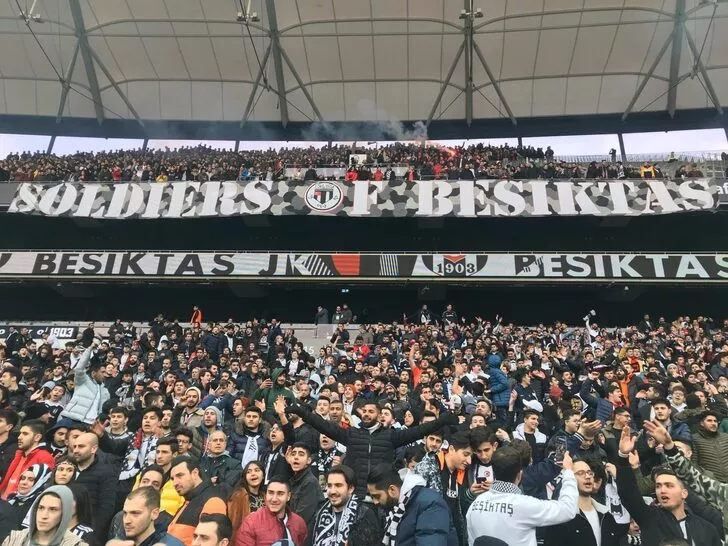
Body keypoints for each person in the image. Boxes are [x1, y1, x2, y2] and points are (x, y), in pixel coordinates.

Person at [286, 400, 457, 495]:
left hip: (381, 495)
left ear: (380, 414)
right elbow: (322, 425)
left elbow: (420, 430)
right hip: (355, 494)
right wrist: (301, 412)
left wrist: (443, 420)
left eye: (371, 411)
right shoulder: (351, 434)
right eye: (364, 412)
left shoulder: (391, 435)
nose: (366, 414)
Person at [615, 426, 721, 546]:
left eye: (669, 486)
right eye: (658, 486)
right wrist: (623, 456)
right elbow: (628, 492)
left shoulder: (707, 529)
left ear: (684, 493)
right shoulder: (649, 518)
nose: (662, 490)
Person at [465, 447, 577, 546]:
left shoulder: (475, 504)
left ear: (494, 473)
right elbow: (567, 510)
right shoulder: (525, 505)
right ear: (520, 475)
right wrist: (568, 472)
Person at [367, 463, 457, 546]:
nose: (375, 502)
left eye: (377, 496)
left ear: (392, 490)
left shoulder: (431, 504)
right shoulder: (398, 507)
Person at [543, 459, 628, 546]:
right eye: (580, 473)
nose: (587, 476)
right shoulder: (561, 517)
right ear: (568, 477)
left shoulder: (606, 515)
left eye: (590, 473)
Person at [414, 431, 473, 545]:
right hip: (430, 537)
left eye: (471, 456)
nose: (469, 461)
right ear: (451, 449)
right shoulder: (427, 467)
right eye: (465, 454)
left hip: (455, 537)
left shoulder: (466, 473)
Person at [311, 465, 381, 546]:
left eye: (338, 485)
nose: (332, 491)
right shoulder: (319, 513)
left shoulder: (364, 514)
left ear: (351, 488)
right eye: (329, 485)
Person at [167, 458, 227, 546]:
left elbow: (209, 542)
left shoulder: (212, 500)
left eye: (180, 476)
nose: (175, 483)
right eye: (172, 479)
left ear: (195, 473)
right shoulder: (189, 500)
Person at [1, 485, 87, 546]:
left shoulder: (76, 544)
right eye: (41, 508)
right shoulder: (15, 538)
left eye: (53, 509)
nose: (44, 515)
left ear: (65, 513)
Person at [66, 432, 116, 535]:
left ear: (93, 449)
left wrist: (91, 533)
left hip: (87, 531)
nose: (75, 450)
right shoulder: (64, 467)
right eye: (74, 446)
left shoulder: (106, 472)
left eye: (81, 446)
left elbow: (106, 507)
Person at [234, 478, 308, 546]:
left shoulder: (299, 523)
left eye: (280, 494)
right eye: (271, 493)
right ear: (266, 494)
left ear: (288, 496)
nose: (274, 499)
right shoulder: (251, 522)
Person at [0, 420, 56, 500]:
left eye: (25, 434)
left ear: (37, 437)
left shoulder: (45, 457)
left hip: (17, 505)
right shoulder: (19, 454)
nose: (19, 437)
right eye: (20, 433)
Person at [111, 486, 184, 546]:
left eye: (135, 513)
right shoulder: (117, 542)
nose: (127, 520)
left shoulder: (171, 544)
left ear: (154, 514)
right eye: (125, 513)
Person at [59, 343, 109, 426]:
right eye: (102, 372)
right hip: (72, 418)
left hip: (90, 424)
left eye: (105, 372)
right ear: (93, 373)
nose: (104, 374)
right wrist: (89, 350)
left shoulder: (105, 390)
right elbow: (79, 368)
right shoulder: (83, 380)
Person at [286, 442, 324, 529]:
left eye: (301, 454)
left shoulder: (310, 482)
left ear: (309, 460)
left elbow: (301, 519)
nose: (296, 457)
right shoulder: (293, 480)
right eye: (293, 454)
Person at [227, 461, 265, 532]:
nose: (253, 474)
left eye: (257, 470)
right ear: (245, 477)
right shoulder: (238, 496)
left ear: (263, 476)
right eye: (249, 472)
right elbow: (234, 524)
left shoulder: (265, 496)